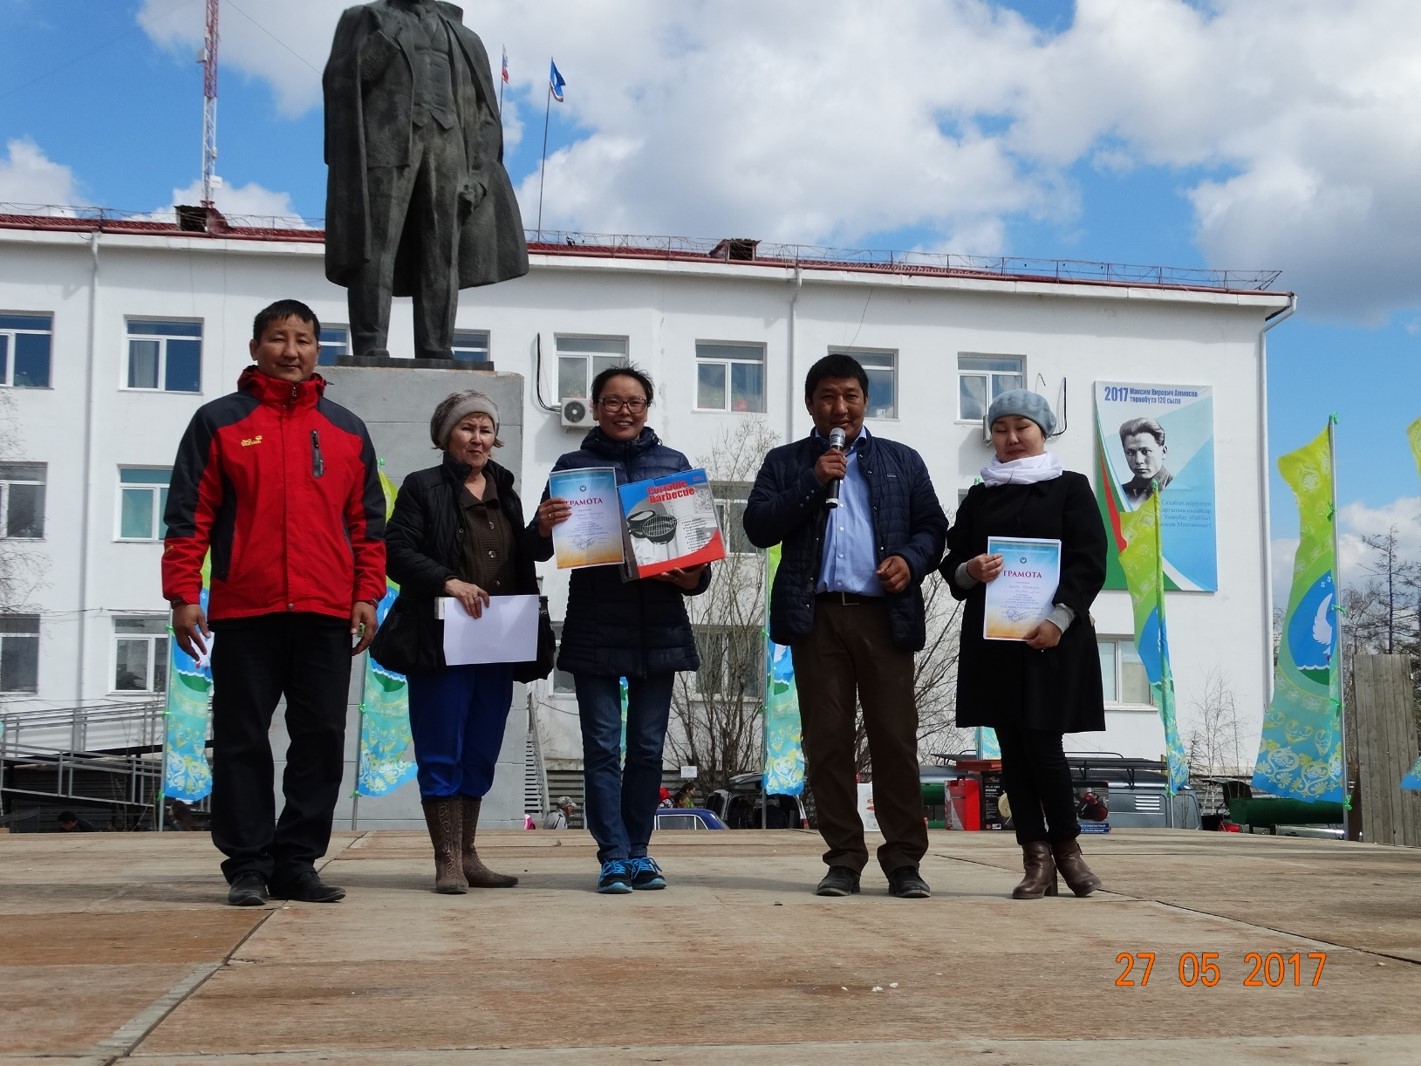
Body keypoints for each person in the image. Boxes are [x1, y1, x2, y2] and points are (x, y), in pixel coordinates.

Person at [163, 299, 386, 907]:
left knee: (321, 739)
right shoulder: (219, 422)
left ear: (318, 350)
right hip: (246, 610)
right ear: (255, 347)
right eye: (279, 338)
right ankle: (247, 865)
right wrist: (183, 594)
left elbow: (367, 526)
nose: (291, 351)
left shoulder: (346, 429)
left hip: (325, 611)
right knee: (242, 739)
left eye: (304, 339)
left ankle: (296, 862)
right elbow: (188, 515)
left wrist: (366, 594)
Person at [743, 353, 947, 899]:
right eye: (828, 397)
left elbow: (933, 527)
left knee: (895, 741)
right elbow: (758, 526)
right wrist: (813, 480)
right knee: (827, 742)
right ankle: (844, 860)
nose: (840, 407)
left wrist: (911, 560)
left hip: (884, 615)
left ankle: (904, 862)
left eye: (850, 396)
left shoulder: (902, 460)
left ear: (865, 401)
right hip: (816, 618)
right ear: (811, 405)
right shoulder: (786, 461)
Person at [532, 366, 711, 894]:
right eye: (612, 401)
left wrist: (694, 575)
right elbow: (537, 546)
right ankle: (611, 855)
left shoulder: (673, 465)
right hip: (595, 624)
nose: (623, 410)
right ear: (595, 407)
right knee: (602, 747)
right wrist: (543, 525)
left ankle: (639, 851)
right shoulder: (573, 468)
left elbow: (697, 557)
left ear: (647, 408)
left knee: (649, 749)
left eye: (634, 401)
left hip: (659, 626)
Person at [938, 388, 1108, 899]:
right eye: (1000, 429)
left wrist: (1060, 619)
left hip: (1053, 639)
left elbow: (1089, 560)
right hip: (996, 642)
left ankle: (1068, 852)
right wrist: (970, 570)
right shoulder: (980, 496)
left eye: (1022, 428)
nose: (1011, 438)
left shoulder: (1070, 487)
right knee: (1012, 752)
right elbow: (952, 561)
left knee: (1044, 747)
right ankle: (1036, 860)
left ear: (1043, 431)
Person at [384, 390, 539, 894]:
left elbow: (525, 555)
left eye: (485, 429)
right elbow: (395, 551)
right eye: (467, 428)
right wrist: (447, 580)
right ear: (445, 436)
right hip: (441, 639)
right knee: (440, 748)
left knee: (481, 748)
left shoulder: (506, 489)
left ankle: (469, 853)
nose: (477, 438)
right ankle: (446, 858)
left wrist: (546, 529)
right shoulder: (422, 486)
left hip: (498, 638)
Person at [323, 0, 528, 361]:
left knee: (442, 252)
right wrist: (384, 39)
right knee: (375, 247)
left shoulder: (464, 37)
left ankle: (437, 346)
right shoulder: (366, 19)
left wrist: (479, 175)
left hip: (449, 150)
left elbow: (487, 114)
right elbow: (342, 82)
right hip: (385, 147)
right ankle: (370, 345)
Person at [1118, 417, 1173, 505]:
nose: (1138, 460)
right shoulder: (1119, 494)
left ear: (1163, 452)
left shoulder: (1177, 490)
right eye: (1131, 452)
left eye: (1145, 451)